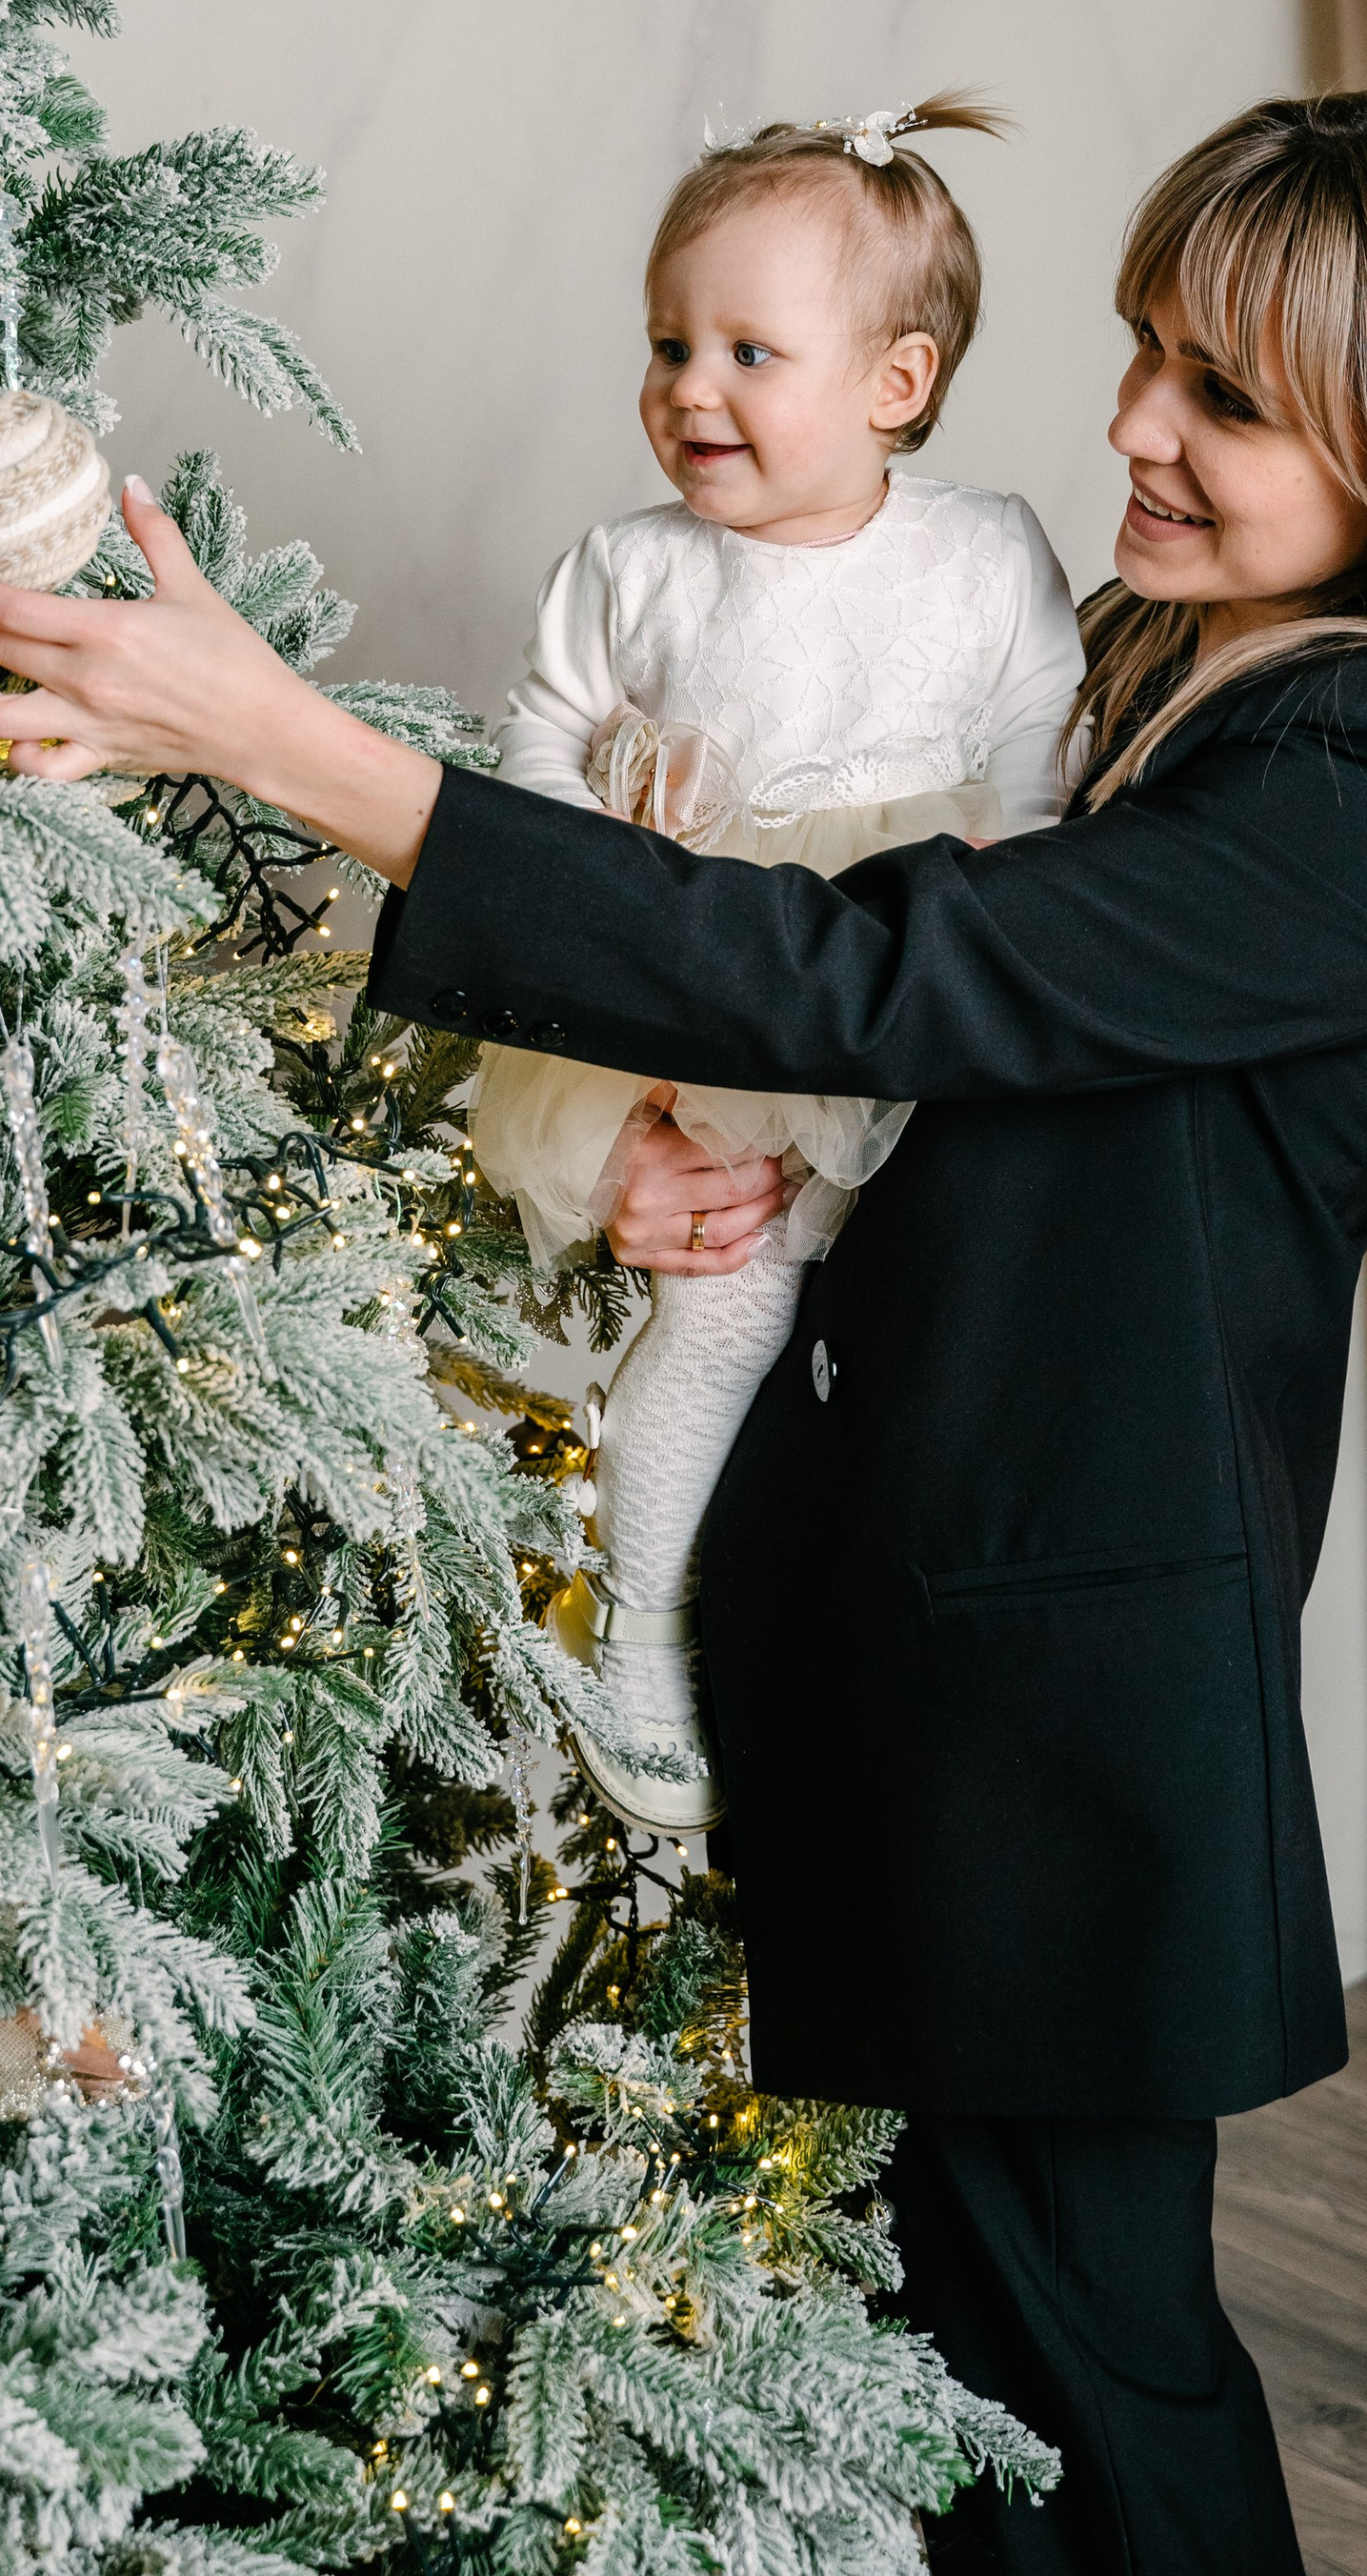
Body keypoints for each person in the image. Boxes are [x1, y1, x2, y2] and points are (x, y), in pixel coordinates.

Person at [0, 89, 1367, 2575]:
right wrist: (621, 1134)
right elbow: (813, 1007)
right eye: (1149, 352)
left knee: (1083, 2391)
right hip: (903, 1643)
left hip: (1065, 1732)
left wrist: (294, 754)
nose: (1132, 427)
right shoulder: (1125, 675)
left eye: (1230, 399)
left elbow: (879, 973)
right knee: (934, 2377)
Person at [475, 103, 1082, 1826]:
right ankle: (643, 1628)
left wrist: (998, 908)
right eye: (668, 344)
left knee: (918, 1349)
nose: (687, 387)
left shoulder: (982, 552)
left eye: (749, 350)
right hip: (704, 999)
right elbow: (537, 759)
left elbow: (1039, 735)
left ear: (897, 385)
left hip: (918, 978)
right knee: (725, 1313)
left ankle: (863, 1682)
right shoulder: (633, 567)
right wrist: (605, 974)